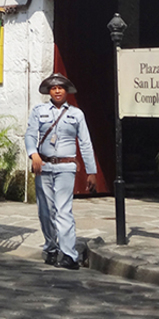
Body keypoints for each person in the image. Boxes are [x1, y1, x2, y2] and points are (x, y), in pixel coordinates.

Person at [24, 72, 97, 270]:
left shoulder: (76, 114)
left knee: (64, 210)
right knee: (45, 211)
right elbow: (30, 135)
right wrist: (34, 154)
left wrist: (92, 171)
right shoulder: (39, 111)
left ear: (66, 91)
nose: (57, 90)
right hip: (44, 166)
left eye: (61, 87)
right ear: (49, 91)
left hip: (66, 167)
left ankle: (69, 254)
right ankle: (51, 247)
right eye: (54, 87)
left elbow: (85, 143)